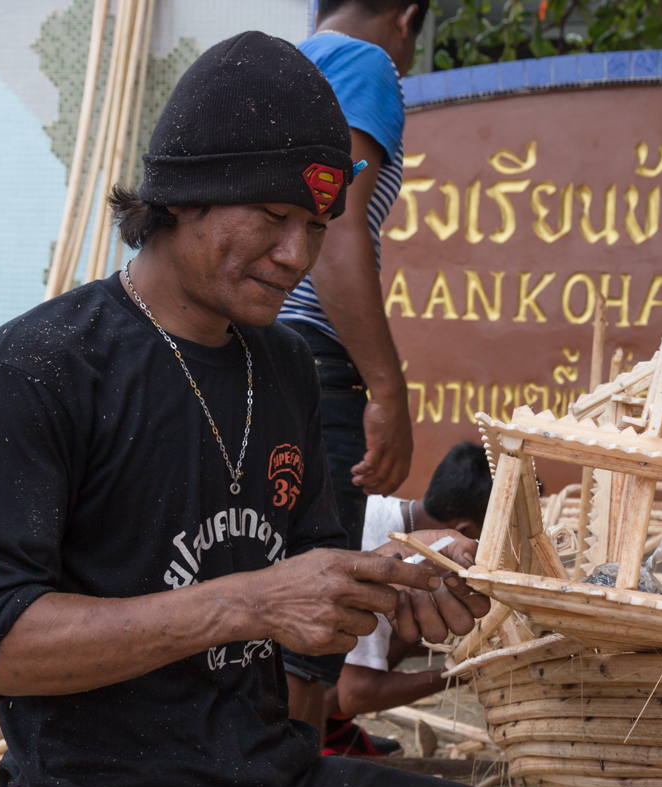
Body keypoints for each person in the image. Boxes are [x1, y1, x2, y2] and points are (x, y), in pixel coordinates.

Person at [0, 32, 495, 787]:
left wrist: (400, 581)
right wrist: (249, 601)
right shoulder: (38, 368)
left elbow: (312, 588)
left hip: (275, 776)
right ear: (181, 193)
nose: (297, 254)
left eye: (318, 227)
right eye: (273, 214)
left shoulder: (288, 365)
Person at [276, 0, 424, 728]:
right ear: (406, 14)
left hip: (245, 361)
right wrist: (387, 391)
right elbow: (335, 235)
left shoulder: (289, 66)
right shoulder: (365, 64)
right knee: (311, 632)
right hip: (305, 367)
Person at [323, 442, 492, 756]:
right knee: (407, 600)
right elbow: (356, 694)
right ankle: (315, 732)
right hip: (276, 693)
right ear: (465, 530)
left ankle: (331, 726)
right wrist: (463, 672)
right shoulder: (382, 546)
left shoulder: (381, 507)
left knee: (420, 605)